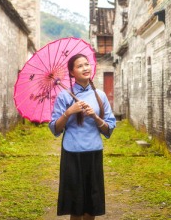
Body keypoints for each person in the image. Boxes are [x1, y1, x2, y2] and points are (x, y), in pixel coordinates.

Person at [48, 53, 116, 220]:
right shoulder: (64, 96)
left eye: (87, 64)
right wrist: (68, 112)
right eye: (79, 66)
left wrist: (95, 116)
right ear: (72, 72)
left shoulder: (100, 95)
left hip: (94, 151)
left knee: (92, 204)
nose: (85, 68)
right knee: (76, 204)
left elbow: (109, 129)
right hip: (72, 152)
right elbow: (55, 129)